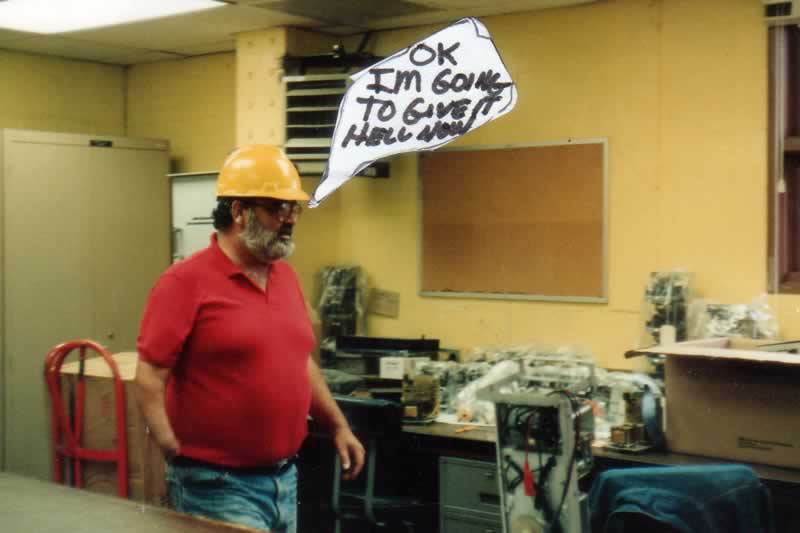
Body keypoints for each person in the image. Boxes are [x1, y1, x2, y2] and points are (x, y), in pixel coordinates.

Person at [134, 144, 365, 533]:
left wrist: (338, 425)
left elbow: (300, 363)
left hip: (283, 480)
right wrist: (169, 444)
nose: (290, 219)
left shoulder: (285, 277)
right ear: (239, 211)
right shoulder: (184, 282)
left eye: (294, 208)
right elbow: (150, 374)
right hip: (216, 485)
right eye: (277, 208)